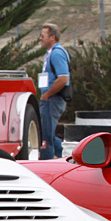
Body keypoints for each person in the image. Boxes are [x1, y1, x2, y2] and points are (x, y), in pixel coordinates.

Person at [37, 23, 70, 160]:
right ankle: (63, 154)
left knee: (46, 136)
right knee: (46, 132)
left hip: (52, 100)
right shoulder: (50, 53)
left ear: (52, 37)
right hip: (49, 99)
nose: (40, 38)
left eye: (43, 36)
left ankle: (48, 162)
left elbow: (63, 79)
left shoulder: (57, 53)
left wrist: (47, 94)